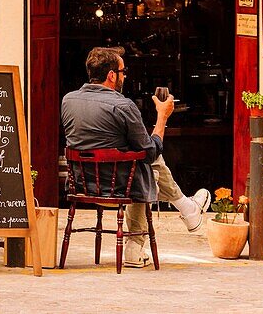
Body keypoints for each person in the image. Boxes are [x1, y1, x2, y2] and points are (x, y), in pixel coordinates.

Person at [61, 46, 211, 269]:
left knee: (140, 164)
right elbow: (151, 150)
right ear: (112, 75)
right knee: (147, 165)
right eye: (123, 72)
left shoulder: (68, 100)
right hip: (118, 186)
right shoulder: (123, 105)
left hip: (82, 184)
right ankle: (183, 210)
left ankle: (188, 209)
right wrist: (162, 116)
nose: (125, 76)